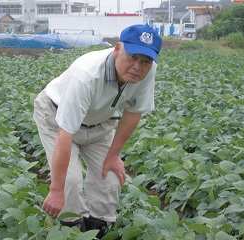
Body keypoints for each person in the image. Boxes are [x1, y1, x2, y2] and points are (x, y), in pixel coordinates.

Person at [33, 24, 162, 238]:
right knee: (70, 183)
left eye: (145, 61)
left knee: (110, 178)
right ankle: (72, 230)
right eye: (132, 57)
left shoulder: (147, 72)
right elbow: (65, 136)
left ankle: (97, 229)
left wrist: (113, 155)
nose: (137, 67)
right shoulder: (86, 75)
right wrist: (56, 190)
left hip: (100, 123)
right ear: (118, 49)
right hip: (56, 119)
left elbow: (133, 113)